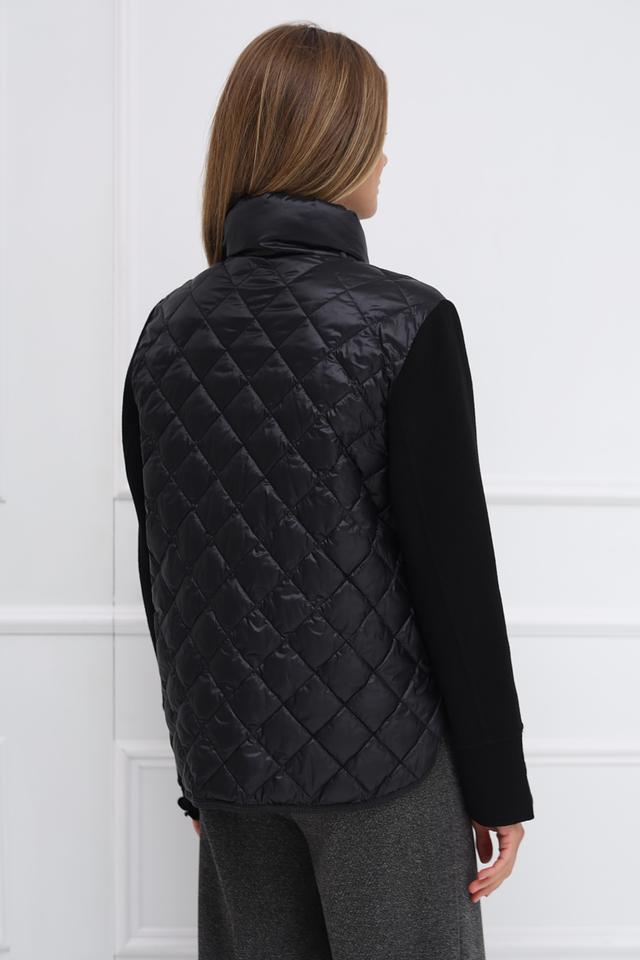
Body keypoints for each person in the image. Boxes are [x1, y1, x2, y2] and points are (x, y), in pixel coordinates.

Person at [121, 20, 534, 960]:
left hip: (230, 764)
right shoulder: (407, 322)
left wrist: (197, 767)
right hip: (387, 767)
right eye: (374, 134)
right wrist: (497, 783)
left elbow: (165, 571)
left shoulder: (166, 331)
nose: (386, 156)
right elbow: (453, 577)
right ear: (334, 145)